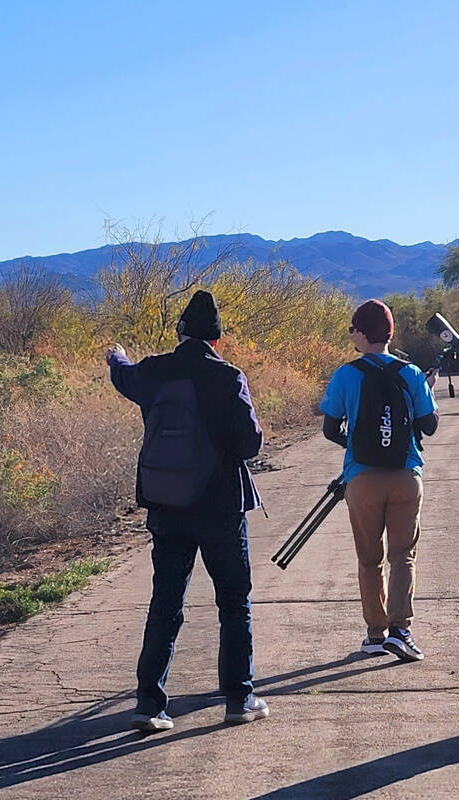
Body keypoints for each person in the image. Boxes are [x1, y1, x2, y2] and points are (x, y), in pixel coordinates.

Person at [106, 290, 268, 732]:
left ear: (180, 333)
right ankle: (240, 697)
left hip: (168, 507)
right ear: (218, 339)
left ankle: (150, 703)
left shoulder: (155, 371)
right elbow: (251, 442)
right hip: (220, 507)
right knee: (234, 602)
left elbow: (123, 377)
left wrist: (116, 357)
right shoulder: (229, 376)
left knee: (166, 602)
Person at [319, 299, 439, 662]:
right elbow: (429, 426)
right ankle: (401, 632)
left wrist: (358, 443)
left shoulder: (346, 374)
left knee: (369, 559)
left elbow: (329, 428)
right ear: (389, 333)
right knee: (403, 555)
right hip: (405, 476)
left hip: (362, 478)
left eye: (353, 330)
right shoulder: (412, 373)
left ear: (361, 332)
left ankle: (375, 634)